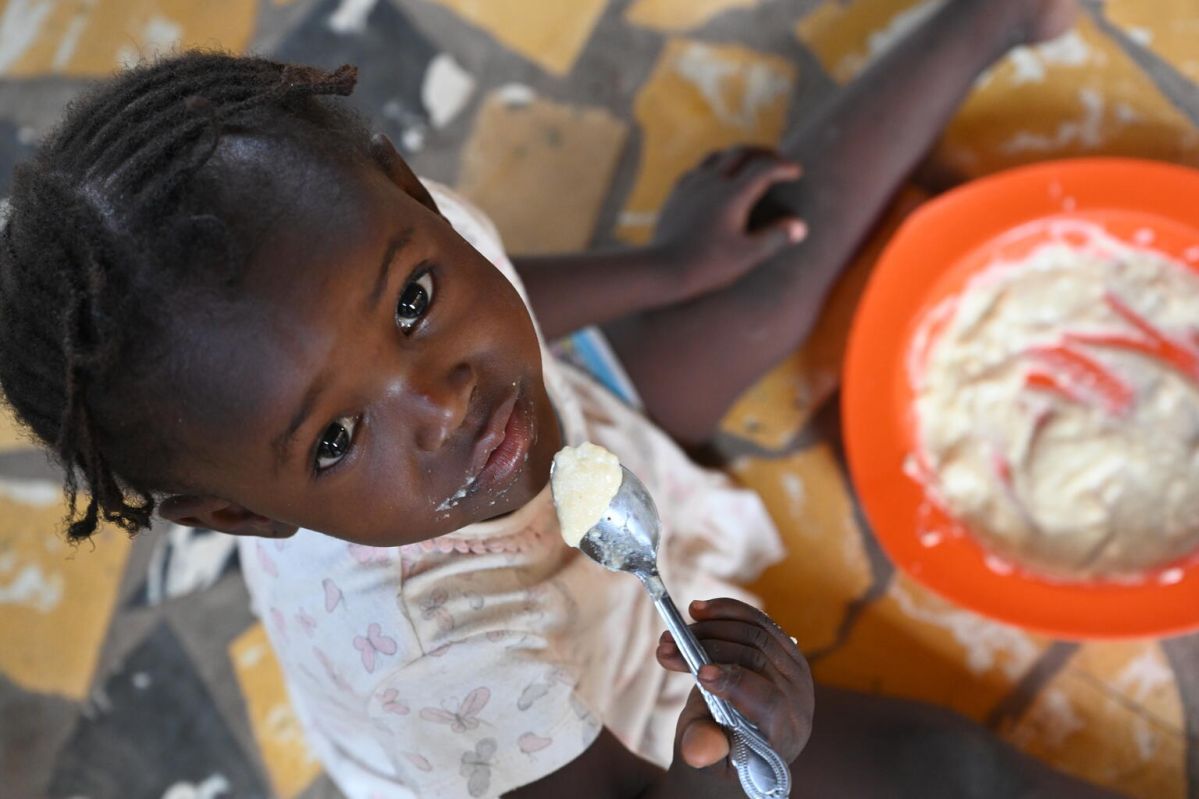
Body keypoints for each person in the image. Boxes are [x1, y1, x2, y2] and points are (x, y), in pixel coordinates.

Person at [0, 0, 1121, 796]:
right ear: (244, 516)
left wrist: (670, 266)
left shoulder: (378, 262)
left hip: (591, 451)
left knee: (753, 283)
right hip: (590, 713)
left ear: (405, 192)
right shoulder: (458, 675)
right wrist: (745, 749)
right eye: (337, 435)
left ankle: (993, 12)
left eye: (413, 302)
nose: (441, 398)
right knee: (943, 771)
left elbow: (502, 280)